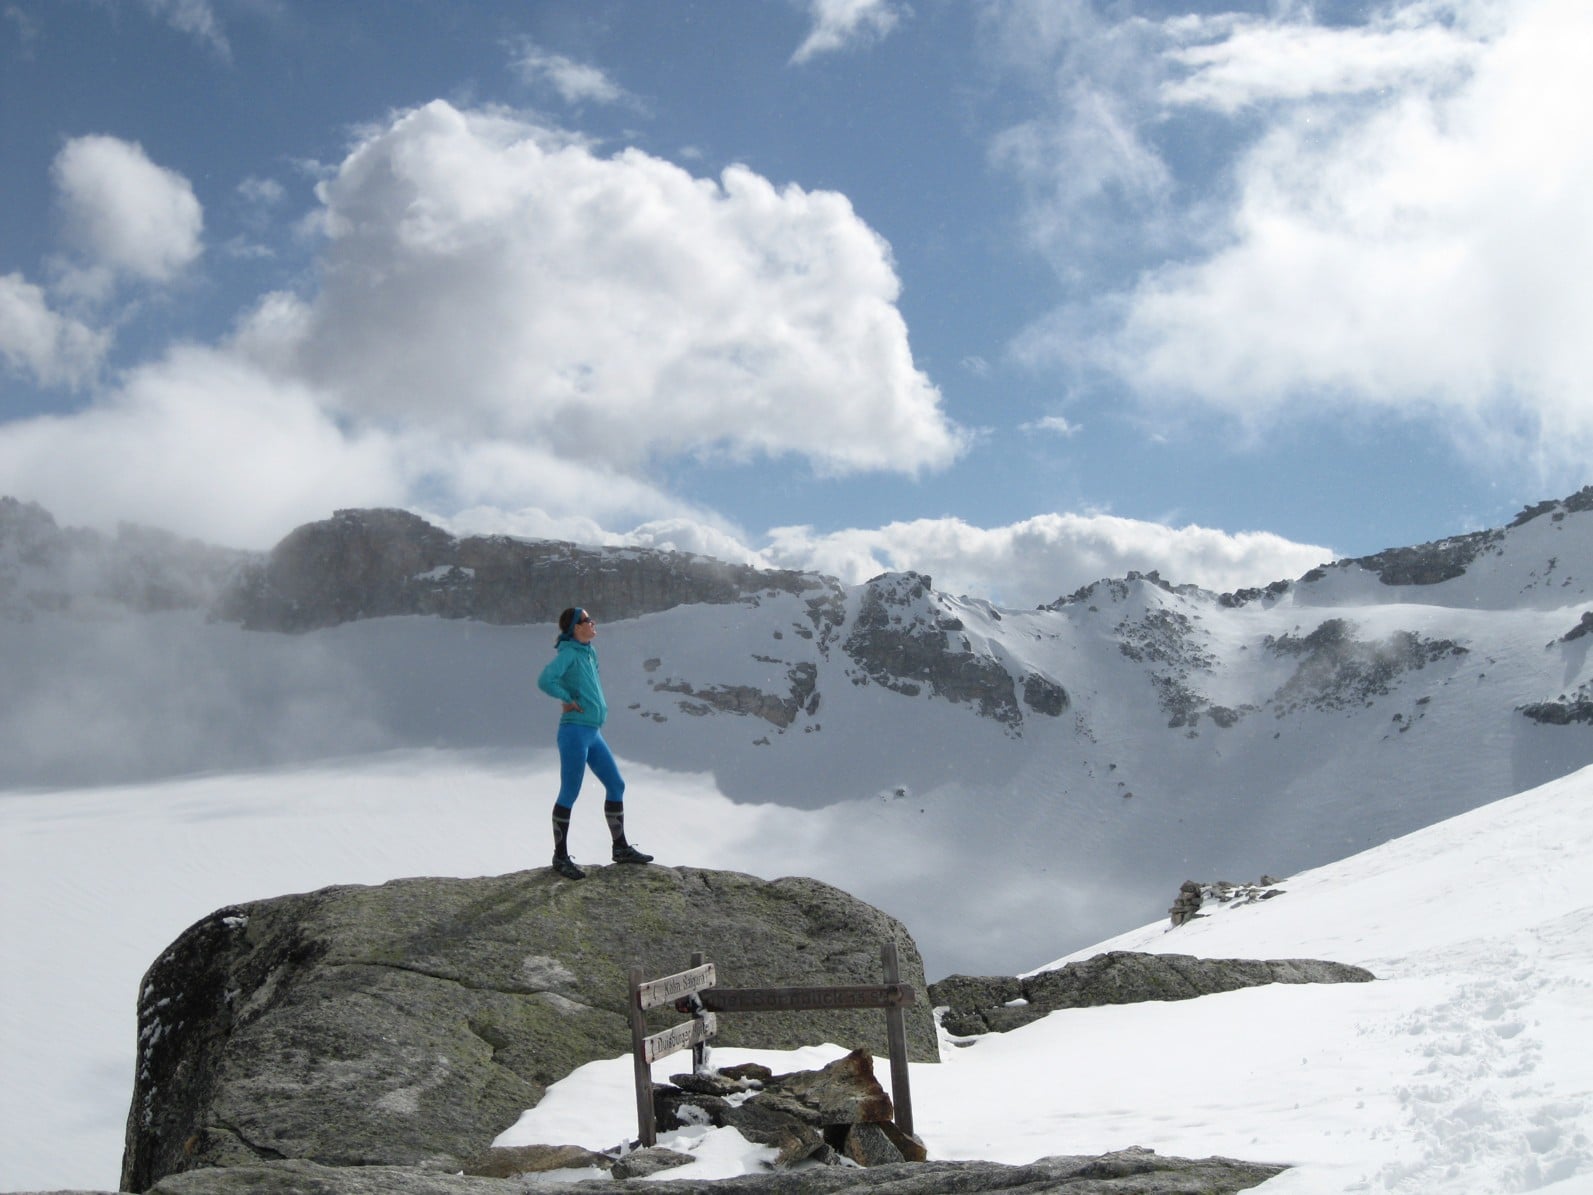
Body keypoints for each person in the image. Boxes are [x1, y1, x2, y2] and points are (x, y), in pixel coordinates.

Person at [536, 607, 653, 879]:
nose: (592, 623)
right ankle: (560, 857)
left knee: (616, 785)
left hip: (592, 731)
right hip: (574, 732)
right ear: (576, 628)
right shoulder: (568, 654)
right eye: (587, 620)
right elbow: (545, 679)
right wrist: (566, 697)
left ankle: (620, 848)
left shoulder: (589, 652)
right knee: (570, 792)